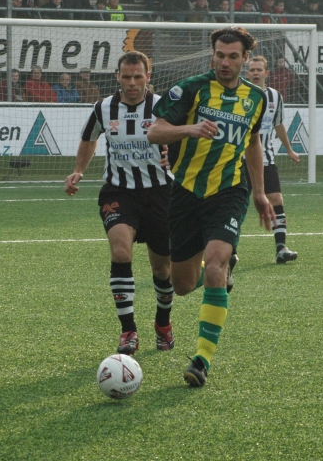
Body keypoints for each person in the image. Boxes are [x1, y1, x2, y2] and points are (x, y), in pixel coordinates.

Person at [147, 27, 276, 388]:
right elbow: (155, 132)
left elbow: (252, 142)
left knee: (216, 263)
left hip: (229, 191)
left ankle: (202, 359)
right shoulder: (191, 88)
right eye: (220, 55)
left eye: (233, 56)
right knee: (184, 284)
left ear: (245, 59)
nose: (225, 62)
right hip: (186, 191)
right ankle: (217, 272)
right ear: (212, 55)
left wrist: (260, 193)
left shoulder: (256, 97)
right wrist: (189, 129)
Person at [65, 51, 174, 356]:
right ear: (117, 77)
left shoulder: (163, 105)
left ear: (148, 77)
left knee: (163, 269)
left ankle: (163, 323)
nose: (132, 83)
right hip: (118, 191)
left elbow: (184, 137)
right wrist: (79, 171)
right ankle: (128, 331)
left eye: (138, 76)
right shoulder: (103, 108)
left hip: (161, 192)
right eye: (126, 77)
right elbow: (89, 139)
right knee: (120, 249)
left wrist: (175, 154)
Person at [245, 56, 300, 264]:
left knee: (276, 199)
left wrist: (289, 150)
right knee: (237, 204)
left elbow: (278, 125)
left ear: (266, 74)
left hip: (266, 158)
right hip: (238, 160)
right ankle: (230, 251)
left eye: (259, 70)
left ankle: (281, 247)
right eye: (252, 70)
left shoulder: (275, 97)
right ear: (247, 73)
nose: (256, 73)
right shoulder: (238, 94)